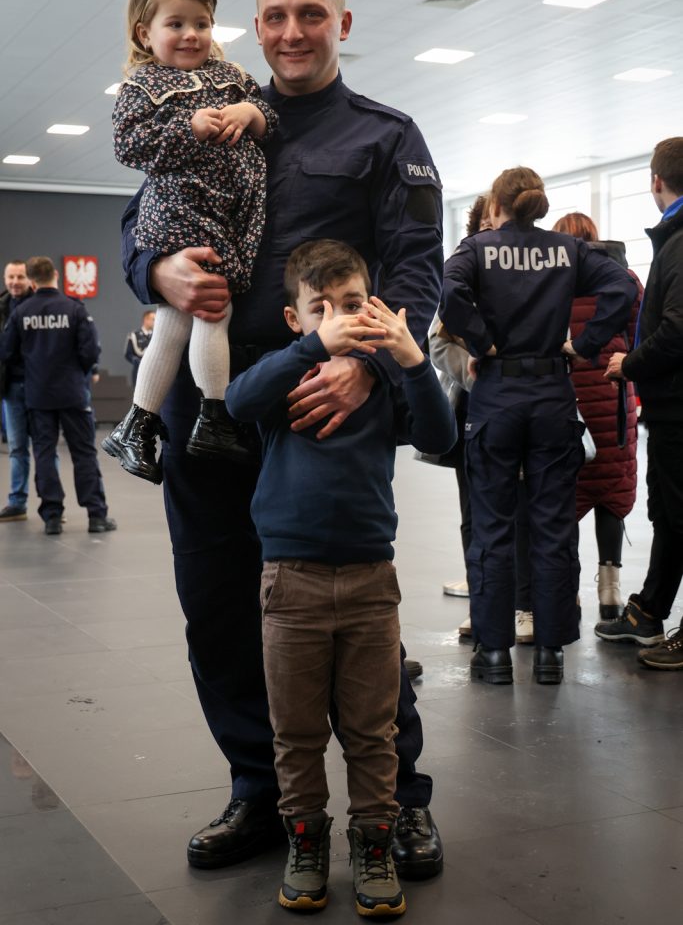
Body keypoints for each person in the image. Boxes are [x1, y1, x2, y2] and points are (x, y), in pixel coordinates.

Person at [120, 0, 445, 878]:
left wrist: (369, 369)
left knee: (353, 612)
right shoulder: (207, 109)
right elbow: (141, 217)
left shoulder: (384, 136)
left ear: (341, 24)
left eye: (310, 13)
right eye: (274, 16)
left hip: (320, 408)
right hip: (211, 407)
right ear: (254, 27)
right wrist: (156, 271)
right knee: (218, 605)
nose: (291, 31)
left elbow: (414, 267)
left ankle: (398, 801)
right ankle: (259, 793)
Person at [227, 240, 455, 915]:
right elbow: (238, 401)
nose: (338, 318)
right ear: (294, 318)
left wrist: (411, 359)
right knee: (296, 733)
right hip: (290, 582)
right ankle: (305, 843)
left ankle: (373, 845)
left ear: (373, 306)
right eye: (320, 308)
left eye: (352, 304)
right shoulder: (285, 371)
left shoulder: (381, 382)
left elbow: (440, 437)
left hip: (369, 582)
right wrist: (311, 349)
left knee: (372, 732)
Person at [440, 166, 637, 685]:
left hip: (497, 396)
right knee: (553, 527)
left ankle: (494, 654)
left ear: (497, 206)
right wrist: (586, 343)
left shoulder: (477, 249)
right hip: (553, 395)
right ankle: (550, 652)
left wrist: (481, 342)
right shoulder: (567, 251)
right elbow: (622, 284)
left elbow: (449, 292)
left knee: (492, 527)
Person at [102, 0, 278, 483]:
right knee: (213, 308)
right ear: (145, 33)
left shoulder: (232, 76)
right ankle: (214, 417)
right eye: (175, 24)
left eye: (201, 23)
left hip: (226, 212)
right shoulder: (143, 85)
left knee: (176, 320)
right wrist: (188, 127)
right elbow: (127, 144)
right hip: (184, 213)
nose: (191, 35)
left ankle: (137, 424)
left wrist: (249, 113)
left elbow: (269, 116)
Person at [431, 195, 534, 644]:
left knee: (523, 512)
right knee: (474, 515)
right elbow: (438, 344)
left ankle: (525, 606)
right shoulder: (461, 275)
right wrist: (476, 375)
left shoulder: (536, 271)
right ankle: (484, 605)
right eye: (488, 226)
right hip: (472, 409)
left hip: (527, 409)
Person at [600, 137, 683, 670]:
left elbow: (677, 329)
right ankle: (649, 610)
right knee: (670, 513)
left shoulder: (680, 241)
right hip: (670, 408)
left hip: (678, 406)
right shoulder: (673, 238)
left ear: (656, 181)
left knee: (678, 513)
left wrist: (628, 364)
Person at [553, 213, 643, 625]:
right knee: (612, 488)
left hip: (566, 398)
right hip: (614, 395)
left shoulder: (553, 280)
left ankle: (567, 591)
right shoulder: (624, 278)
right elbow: (639, 335)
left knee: (566, 493)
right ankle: (610, 591)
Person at [0, 257, 116, 536]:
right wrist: (77, 372)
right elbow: (90, 351)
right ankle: (96, 516)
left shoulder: (21, 312)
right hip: (73, 392)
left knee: (44, 453)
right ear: (55, 274)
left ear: (31, 280)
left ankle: (52, 517)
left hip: (38, 395)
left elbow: (6, 352)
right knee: (84, 453)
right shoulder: (74, 308)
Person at [0, 261, 33, 522]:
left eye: (20, 277)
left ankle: (52, 505)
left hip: (40, 387)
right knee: (16, 447)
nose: (15, 282)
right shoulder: (1, 307)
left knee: (46, 448)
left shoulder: (41, 305)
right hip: (10, 388)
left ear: (30, 279)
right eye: (11, 277)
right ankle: (17, 502)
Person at [124, 309, 155, 386]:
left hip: (154, 371)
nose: (155, 322)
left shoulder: (157, 336)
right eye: (153, 319)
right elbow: (128, 354)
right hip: (139, 370)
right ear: (146, 320)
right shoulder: (134, 335)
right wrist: (136, 361)